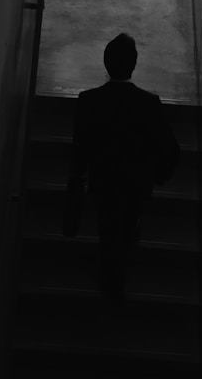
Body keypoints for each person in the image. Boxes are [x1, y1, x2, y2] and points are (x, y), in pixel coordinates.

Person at [64, 33, 180, 298]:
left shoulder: (88, 100)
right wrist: (156, 176)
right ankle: (118, 279)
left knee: (107, 231)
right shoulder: (149, 103)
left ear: (106, 63)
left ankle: (109, 283)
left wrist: (78, 177)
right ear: (134, 64)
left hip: (103, 182)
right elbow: (170, 149)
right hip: (135, 185)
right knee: (127, 230)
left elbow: (80, 147)